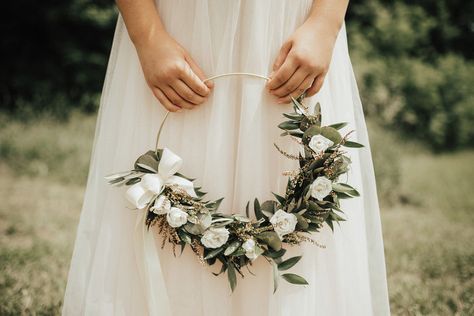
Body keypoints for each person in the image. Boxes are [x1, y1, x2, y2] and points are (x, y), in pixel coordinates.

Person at [62, 0, 390, 315]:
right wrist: (147, 35)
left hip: (289, 25)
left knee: (287, 165)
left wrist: (325, 22)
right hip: (179, 26)